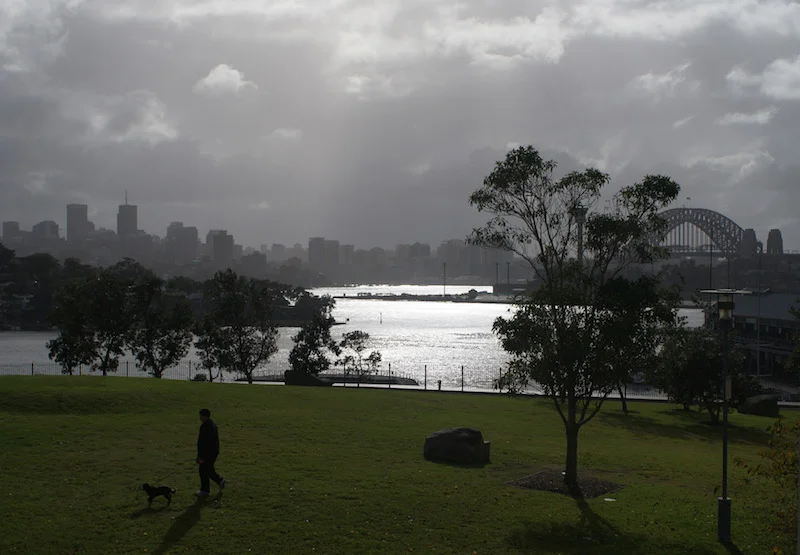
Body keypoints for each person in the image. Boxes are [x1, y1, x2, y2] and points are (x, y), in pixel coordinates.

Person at [196, 408, 225, 496]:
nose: (200, 417)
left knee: (203, 470)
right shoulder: (211, 424)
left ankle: (205, 490)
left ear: (204, 416)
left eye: (201, 415)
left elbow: (203, 442)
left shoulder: (205, 426)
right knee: (208, 469)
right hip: (212, 452)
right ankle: (219, 480)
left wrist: (200, 455)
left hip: (207, 453)